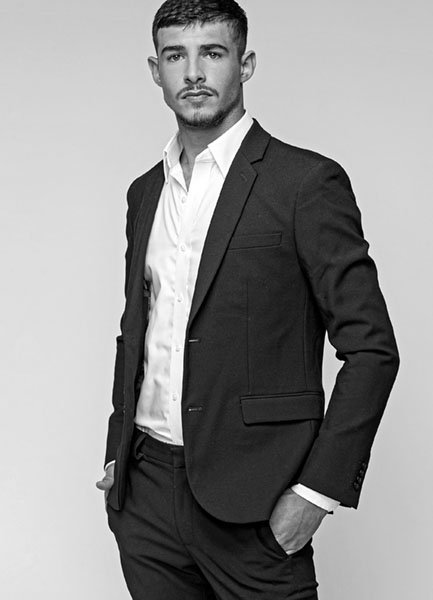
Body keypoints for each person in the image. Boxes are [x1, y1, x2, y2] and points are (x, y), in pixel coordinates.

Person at [96, 1, 399, 598]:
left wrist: (315, 493)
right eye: (176, 56)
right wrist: (118, 455)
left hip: (254, 501)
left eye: (212, 53)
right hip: (148, 495)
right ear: (156, 71)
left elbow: (372, 350)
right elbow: (140, 330)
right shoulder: (145, 192)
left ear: (246, 64)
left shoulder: (304, 183)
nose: (193, 73)